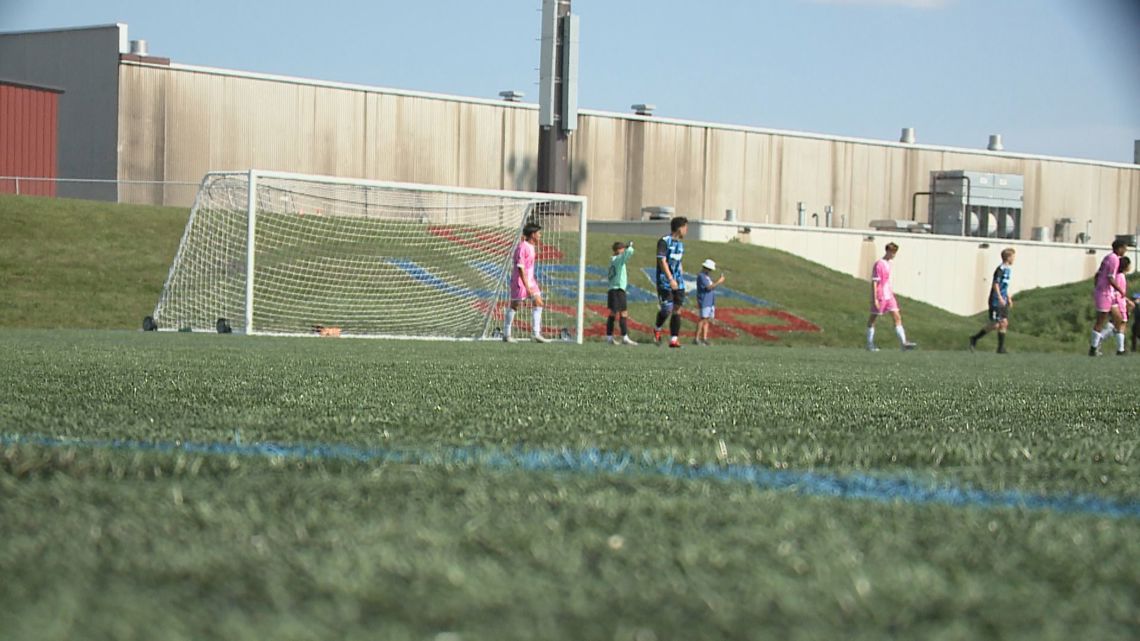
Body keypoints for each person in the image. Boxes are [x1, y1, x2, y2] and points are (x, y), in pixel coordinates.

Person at [866, 242, 917, 352]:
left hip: (889, 295)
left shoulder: (889, 263)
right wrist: (874, 298)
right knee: (873, 319)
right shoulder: (879, 264)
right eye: (893, 253)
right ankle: (869, 344)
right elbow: (875, 282)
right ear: (888, 251)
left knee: (897, 316)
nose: (894, 255)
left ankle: (903, 343)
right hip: (881, 295)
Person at [504, 222, 549, 344]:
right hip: (520, 281)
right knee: (515, 305)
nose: (540, 235)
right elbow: (520, 268)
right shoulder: (522, 247)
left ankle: (535, 334)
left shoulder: (532, 247)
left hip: (530, 280)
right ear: (533, 235)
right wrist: (527, 286)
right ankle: (506, 334)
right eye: (538, 233)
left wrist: (531, 283)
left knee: (538, 302)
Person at [970, 248, 1016, 353]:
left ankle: (1000, 348)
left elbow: (1004, 286)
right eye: (1013, 257)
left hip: (1003, 300)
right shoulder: (1000, 269)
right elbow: (996, 284)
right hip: (996, 300)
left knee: (1004, 323)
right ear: (1008, 257)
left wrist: (1008, 297)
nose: (1014, 259)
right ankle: (974, 338)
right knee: (995, 324)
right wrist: (999, 297)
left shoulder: (1008, 269)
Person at [1089, 239, 1129, 356]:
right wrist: (1120, 290)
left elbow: (1097, 275)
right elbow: (1110, 278)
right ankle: (1093, 348)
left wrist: (1098, 286)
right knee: (1100, 321)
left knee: (1119, 320)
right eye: (1124, 248)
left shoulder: (1109, 257)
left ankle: (1120, 348)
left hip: (1107, 293)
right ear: (1119, 248)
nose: (1125, 250)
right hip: (1104, 293)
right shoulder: (1114, 259)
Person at [654, 216, 688, 349]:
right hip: (665, 282)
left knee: (677, 309)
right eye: (685, 228)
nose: (686, 231)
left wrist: (680, 274)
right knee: (667, 309)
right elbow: (662, 261)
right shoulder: (664, 241)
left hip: (678, 282)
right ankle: (657, 328)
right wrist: (670, 279)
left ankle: (674, 339)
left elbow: (678, 262)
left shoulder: (680, 244)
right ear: (680, 228)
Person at [605, 240, 638, 346]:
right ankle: (615, 337)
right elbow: (629, 253)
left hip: (616, 289)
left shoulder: (614, 260)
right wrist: (630, 246)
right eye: (622, 248)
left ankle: (619, 337)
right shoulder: (618, 259)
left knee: (620, 313)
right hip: (617, 289)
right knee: (616, 313)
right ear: (618, 250)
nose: (624, 250)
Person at [694, 259, 725, 346]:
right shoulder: (701, 276)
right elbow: (708, 287)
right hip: (704, 300)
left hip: (710, 301)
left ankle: (704, 338)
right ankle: (696, 338)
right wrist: (719, 281)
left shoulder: (706, 277)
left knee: (707, 320)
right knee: (702, 319)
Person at [1111, 256, 1134, 356]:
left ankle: (1121, 348)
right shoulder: (1120, 276)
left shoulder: (1119, 275)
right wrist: (1124, 302)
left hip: (1120, 302)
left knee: (1118, 325)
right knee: (1121, 325)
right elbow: (1118, 292)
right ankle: (1120, 349)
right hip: (1120, 303)